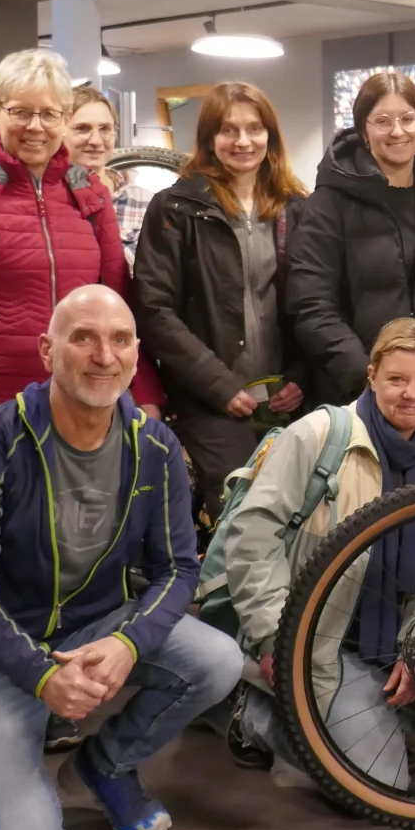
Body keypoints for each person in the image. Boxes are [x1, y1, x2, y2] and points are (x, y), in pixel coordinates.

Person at [0, 286, 240, 830]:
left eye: (120, 339)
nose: (104, 355)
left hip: (91, 625)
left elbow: (178, 568)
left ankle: (105, 766)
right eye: (83, 338)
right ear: (47, 351)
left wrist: (127, 643)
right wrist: (42, 676)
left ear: (136, 352)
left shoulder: (155, 446)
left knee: (218, 661)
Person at [219, 319, 415, 785]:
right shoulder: (316, 436)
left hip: (394, 635)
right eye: (396, 379)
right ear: (372, 376)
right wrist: (278, 639)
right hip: (318, 641)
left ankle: (366, 720)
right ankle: (256, 716)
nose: (411, 394)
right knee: (380, 784)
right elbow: (252, 537)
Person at [0, 47, 163, 452]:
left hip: (88, 404)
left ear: (64, 119)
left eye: (49, 114)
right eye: (20, 112)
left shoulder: (89, 193)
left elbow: (123, 307)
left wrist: (146, 393)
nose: (36, 126)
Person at [132, 82, 308, 520]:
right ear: (210, 138)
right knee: (240, 509)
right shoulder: (175, 208)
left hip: (287, 393)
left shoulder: (298, 207)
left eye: (254, 129)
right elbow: (154, 308)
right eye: (229, 130)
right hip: (210, 398)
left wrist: (300, 375)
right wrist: (218, 385)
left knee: (301, 510)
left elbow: (316, 298)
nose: (243, 142)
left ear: (271, 135)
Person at [289, 71, 415, 405]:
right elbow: (311, 304)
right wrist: (368, 378)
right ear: (363, 131)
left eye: (408, 119)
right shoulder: (328, 204)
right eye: (382, 121)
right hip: (356, 393)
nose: (397, 131)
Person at [66, 85, 149, 264]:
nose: (96, 141)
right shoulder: (48, 201)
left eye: (105, 129)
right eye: (82, 128)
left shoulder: (146, 203)